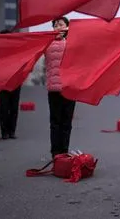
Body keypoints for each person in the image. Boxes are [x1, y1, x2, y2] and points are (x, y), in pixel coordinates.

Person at [45, 17, 76, 158]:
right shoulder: (46, 44)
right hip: (54, 89)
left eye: (61, 24)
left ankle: (63, 150)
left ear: (67, 28)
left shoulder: (73, 44)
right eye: (55, 25)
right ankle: (55, 152)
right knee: (56, 122)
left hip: (70, 89)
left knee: (66, 122)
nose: (58, 27)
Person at [0, 29, 21, 139]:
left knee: (14, 108)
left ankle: (12, 131)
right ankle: (4, 132)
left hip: (15, 82)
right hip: (3, 82)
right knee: (4, 107)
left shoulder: (16, 50)